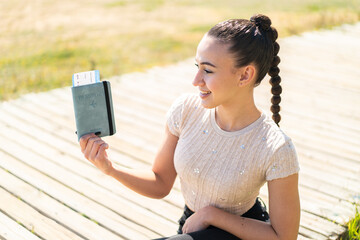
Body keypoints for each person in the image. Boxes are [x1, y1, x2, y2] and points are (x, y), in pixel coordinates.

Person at [79, 13, 300, 240]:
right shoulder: (186, 110)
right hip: (190, 229)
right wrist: (110, 168)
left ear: (245, 75)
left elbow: (284, 237)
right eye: (197, 66)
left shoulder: (277, 148)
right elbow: (160, 182)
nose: (195, 80)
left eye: (208, 70)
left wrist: (212, 215)